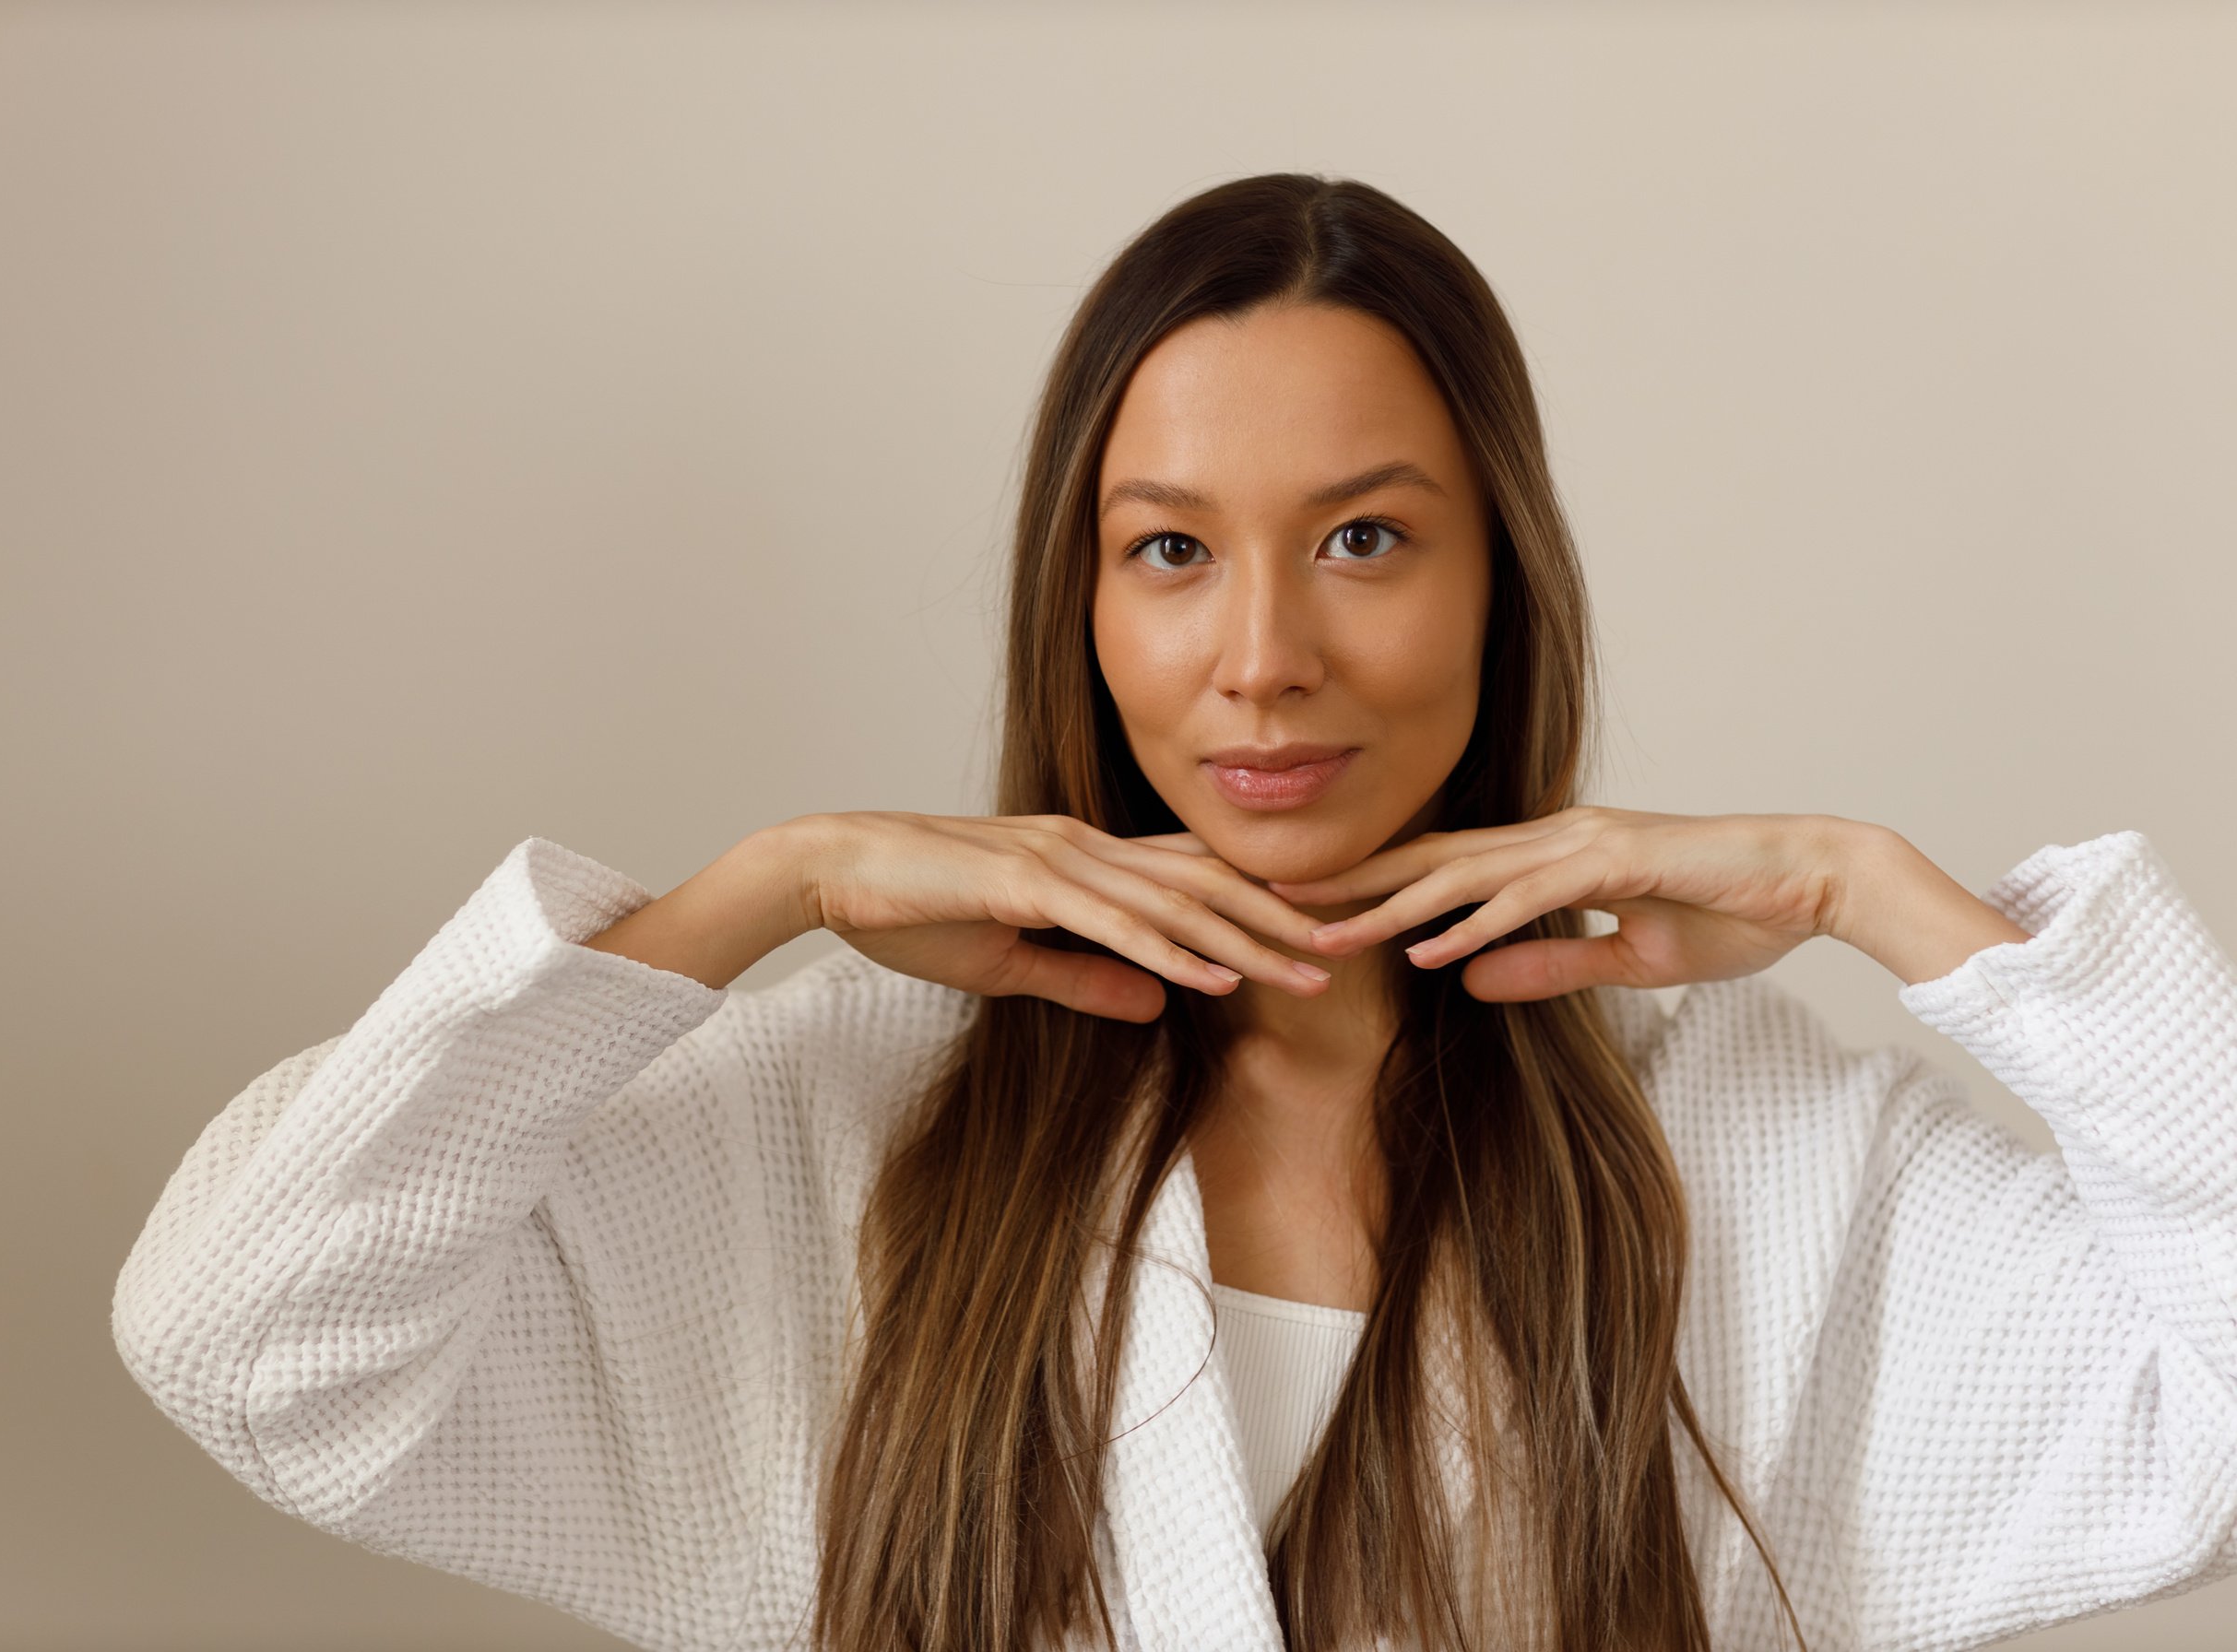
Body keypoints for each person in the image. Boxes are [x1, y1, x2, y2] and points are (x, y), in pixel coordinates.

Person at [110, 173, 2237, 1652]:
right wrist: (763, 892)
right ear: (1082, 596)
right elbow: (245, 1337)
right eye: (1169, 551)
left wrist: (1877, 892)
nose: (1263, 659)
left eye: (1368, 538)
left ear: (1504, 577)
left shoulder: (1741, 1135)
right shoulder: (843, 1117)